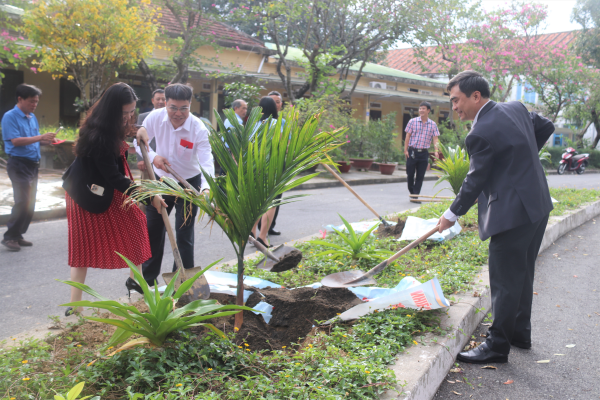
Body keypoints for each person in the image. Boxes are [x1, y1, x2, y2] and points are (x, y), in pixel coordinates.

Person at [437, 70, 554, 364]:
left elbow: (474, 182)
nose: (454, 107)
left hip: (513, 214)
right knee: (523, 272)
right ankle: (519, 333)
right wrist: (521, 163)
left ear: (476, 96)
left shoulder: (479, 133)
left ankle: (497, 345)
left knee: (503, 280)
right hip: (538, 204)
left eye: (456, 100)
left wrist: (451, 215)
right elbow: (546, 125)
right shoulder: (515, 107)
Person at [61, 82, 162, 316]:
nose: (128, 117)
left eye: (131, 112)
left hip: (104, 188)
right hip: (85, 192)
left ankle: (136, 283)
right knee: (82, 246)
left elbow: (125, 132)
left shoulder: (111, 123)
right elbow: (116, 178)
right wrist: (149, 196)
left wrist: (138, 129)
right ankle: (75, 305)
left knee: (136, 225)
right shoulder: (99, 136)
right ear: (112, 110)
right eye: (124, 113)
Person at [135, 83, 215, 287]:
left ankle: (182, 282)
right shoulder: (155, 117)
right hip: (161, 181)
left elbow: (207, 161)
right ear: (166, 103)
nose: (178, 113)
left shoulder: (198, 128)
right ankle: (147, 281)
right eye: (173, 108)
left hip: (189, 183)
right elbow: (139, 142)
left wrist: (206, 188)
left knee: (184, 233)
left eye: (184, 108)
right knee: (153, 230)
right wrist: (153, 157)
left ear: (190, 105)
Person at [1, 84, 59, 252]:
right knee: (22, 200)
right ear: (20, 99)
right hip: (18, 164)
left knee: (30, 202)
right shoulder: (9, 117)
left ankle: (18, 234)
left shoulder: (31, 117)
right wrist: (40, 136)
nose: (34, 105)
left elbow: (33, 139)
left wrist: (47, 140)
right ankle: (10, 236)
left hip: (33, 164)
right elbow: (16, 141)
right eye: (32, 101)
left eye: (36, 102)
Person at [250, 96, 281, 248]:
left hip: (256, 165)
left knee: (257, 200)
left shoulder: (254, 124)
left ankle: (251, 231)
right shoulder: (276, 123)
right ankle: (262, 236)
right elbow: (282, 144)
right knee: (271, 202)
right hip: (271, 166)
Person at [403, 101, 440, 201]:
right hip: (412, 152)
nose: (421, 110)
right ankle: (412, 192)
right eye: (420, 108)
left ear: (428, 110)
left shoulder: (432, 124)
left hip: (424, 153)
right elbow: (407, 136)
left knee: (420, 175)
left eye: (423, 108)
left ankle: (415, 195)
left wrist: (436, 151)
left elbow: (435, 139)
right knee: (410, 174)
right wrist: (405, 150)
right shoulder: (412, 121)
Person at [263, 90, 285, 235]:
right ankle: (261, 232)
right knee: (267, 197)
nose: (275, 104)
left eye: (277, 102)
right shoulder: (261, 121)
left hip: (279, 162)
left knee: (276, 197)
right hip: (265, 163)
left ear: (281, 104)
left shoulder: (282, 122)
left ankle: (269, 227)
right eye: (272, 102)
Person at [135, 89, 166, 177]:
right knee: (147, 187)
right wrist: (141, 159)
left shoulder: (172, 118)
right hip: (147, 160)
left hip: (165, 162)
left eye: (163, 99)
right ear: (152, 100)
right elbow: (137, 139)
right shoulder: (143, 117)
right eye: (158, 99)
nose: (160, 101)